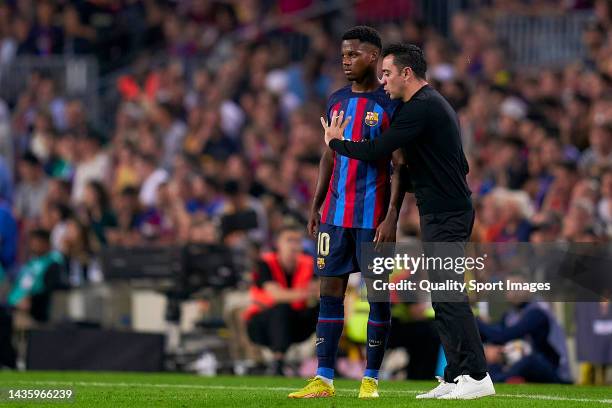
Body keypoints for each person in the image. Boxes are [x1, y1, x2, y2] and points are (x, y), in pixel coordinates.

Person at [322, 43, 495, 400]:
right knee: (442, 294)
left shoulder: (422, 108)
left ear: (406, 73)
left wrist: (337, 143)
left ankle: (477, 375)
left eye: (387, 74)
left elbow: (376, 150)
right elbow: (456, 165)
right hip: (442, 209)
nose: (382, 81)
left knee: (449, 292)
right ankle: (456, 375)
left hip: (446, 213)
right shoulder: (429, 106)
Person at [289, 26, 403, 400]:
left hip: (373, 218)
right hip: (336, 216)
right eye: (342, 56)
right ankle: (324, 378)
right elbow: (329, 153)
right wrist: (317, 202)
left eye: (352, 55)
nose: (345, 62)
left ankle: (370, 378)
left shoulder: (389, 103)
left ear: (373, 56)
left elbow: (400, 164)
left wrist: (391, 218)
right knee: (329, 292)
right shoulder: (337, 100)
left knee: (378, 296)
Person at [243, 223, 319, 375]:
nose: (294, 245)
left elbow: (318, 290)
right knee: (281, 309)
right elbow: (275, 295)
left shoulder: (308, 263)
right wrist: (305, 293)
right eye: (289, 240)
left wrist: (310, 294)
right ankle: (278, 361)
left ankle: (330, 360)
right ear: (278, 243)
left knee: (325, 308)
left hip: (296, 321)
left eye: (297, 241)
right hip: (262, 322)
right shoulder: (265, 263)